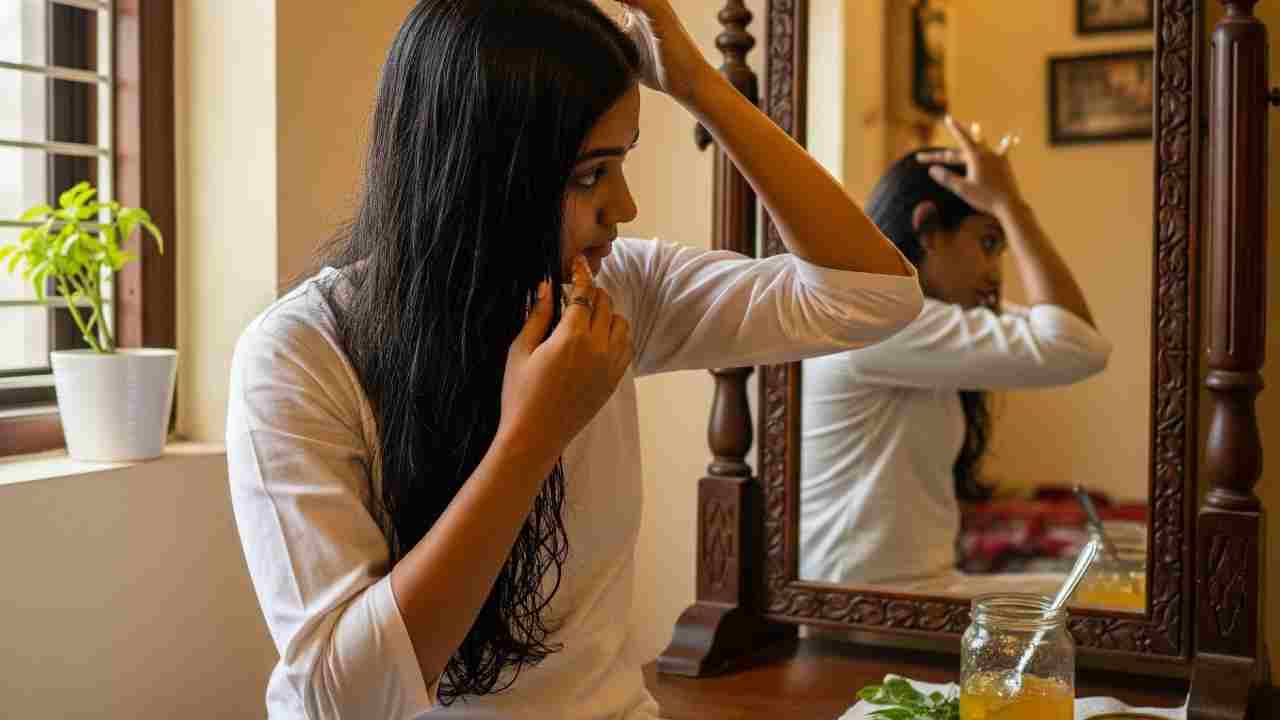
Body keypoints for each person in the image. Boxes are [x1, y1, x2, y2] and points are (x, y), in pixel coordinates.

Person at [225, 1, 923, 717]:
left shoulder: (616, 290)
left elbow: (873, 298)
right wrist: (530, 438)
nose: (625, 205)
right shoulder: (301, 356)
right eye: (590, 174)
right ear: (483, 173)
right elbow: (345, 697)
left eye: (621, 161)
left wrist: (699, 87)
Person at [799, 117, 1112, 587]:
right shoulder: (878, 324)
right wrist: (1011, 206)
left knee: (1102, 592)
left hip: (915, 587)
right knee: (1100, 602)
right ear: (928, 230)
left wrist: (1006, 208)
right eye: (988, 243)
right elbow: (1075, 345)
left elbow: (1071, 337)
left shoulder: (917, 320)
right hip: (861, 601)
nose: (995, 272)